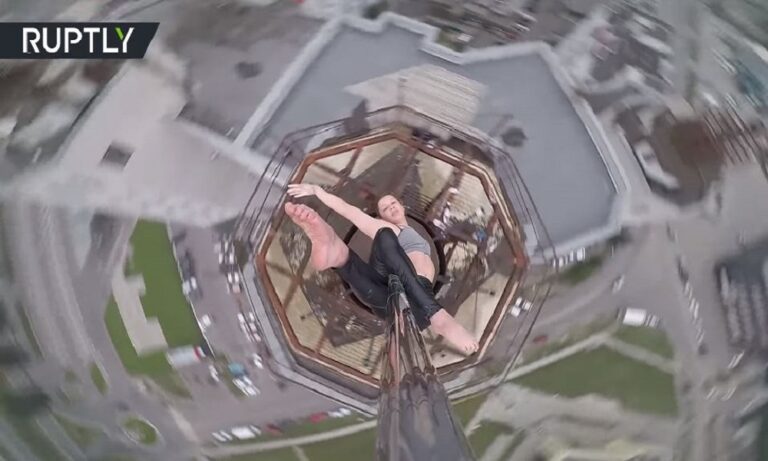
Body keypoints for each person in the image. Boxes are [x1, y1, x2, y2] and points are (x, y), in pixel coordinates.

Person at [284, 183, 479, 355]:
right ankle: (435, 313)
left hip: (390, 303)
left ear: (402, 206)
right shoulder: (385, 228)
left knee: (353, 267)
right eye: (385, 208)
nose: (391, 207)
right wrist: (317, 191)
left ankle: (337, 254)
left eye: (393, 203)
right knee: (384, 235)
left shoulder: (409, 230)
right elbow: (348, 210)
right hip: (413, 297)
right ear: (380, 216)